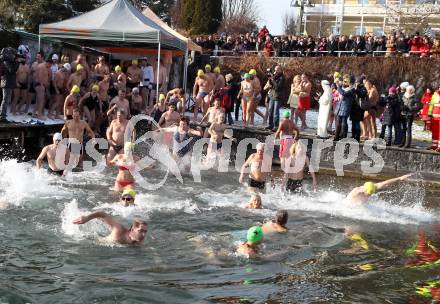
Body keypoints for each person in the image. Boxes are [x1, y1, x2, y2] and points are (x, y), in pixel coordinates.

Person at [73, 211, 148, 245]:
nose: (143, 234)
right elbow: (103, 214)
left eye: (145, 232)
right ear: (132, 229)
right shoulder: (119, 230)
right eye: (140, 231)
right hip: (93, 240)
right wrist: (87, 218)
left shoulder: (138, 241)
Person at [346, 174, 412, 204]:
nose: (369, 196)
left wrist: (400, 178)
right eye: (368, 194)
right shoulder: (356, 192)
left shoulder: (372, 187)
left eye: (370, 194)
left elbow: (385, 183)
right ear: (364, 190)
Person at [334, 75, 355, 141]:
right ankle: (336, 136)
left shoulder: (352, 89)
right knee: (338, 122)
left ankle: (344, 136)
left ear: (350, 82)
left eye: (345, 81)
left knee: (344, 122)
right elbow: (341, 92)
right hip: (340, 106)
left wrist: (338, 86)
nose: (344, 83)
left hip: (346, 107)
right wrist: (339, 84)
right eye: (343, 81)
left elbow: (343, 93)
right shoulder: (344, 87)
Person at [266, 66, 285, 131]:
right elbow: (271, 85)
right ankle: (270, 125)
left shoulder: (282, 78)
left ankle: (276, 126)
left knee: (275, 112)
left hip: (278, 96)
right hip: (272, 95)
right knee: (270, 111)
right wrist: (270, 78)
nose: (276, 71)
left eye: (277, 70)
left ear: (280, 70)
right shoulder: (275, 76)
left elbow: (277, 87)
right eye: (275, 70)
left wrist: (273, 79)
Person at [429, 86, 440, 151]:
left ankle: (439, 147)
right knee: (435, 132)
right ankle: (434, 146)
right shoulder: (435, 95)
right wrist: (429, 114)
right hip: (434, 117)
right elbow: (431, 105)